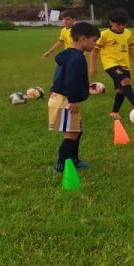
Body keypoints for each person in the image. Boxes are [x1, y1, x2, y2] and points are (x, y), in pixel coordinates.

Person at [48, 21, 99, 172]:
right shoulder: (77, 58)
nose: (95, 44)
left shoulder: (69, 55)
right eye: (94, 40)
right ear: (83, 39)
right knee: (71, 134)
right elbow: (71, 79)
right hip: (67, 100)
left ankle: (74, 160)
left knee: (77, 130)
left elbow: (59, 76)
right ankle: (60, 165)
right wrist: (73, 100)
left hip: (62, 98)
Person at [88, 9, 134, 120]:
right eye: (118, 24)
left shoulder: (128, 33)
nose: (121, 27)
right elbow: (95, 51)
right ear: (111, 23)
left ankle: (114, 112)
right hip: (111, 64)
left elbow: (130, 49)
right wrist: (92, 66)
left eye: (123, 24)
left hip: (125, 65)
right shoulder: (104, 35)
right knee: (125, 81)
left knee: (121, 90)